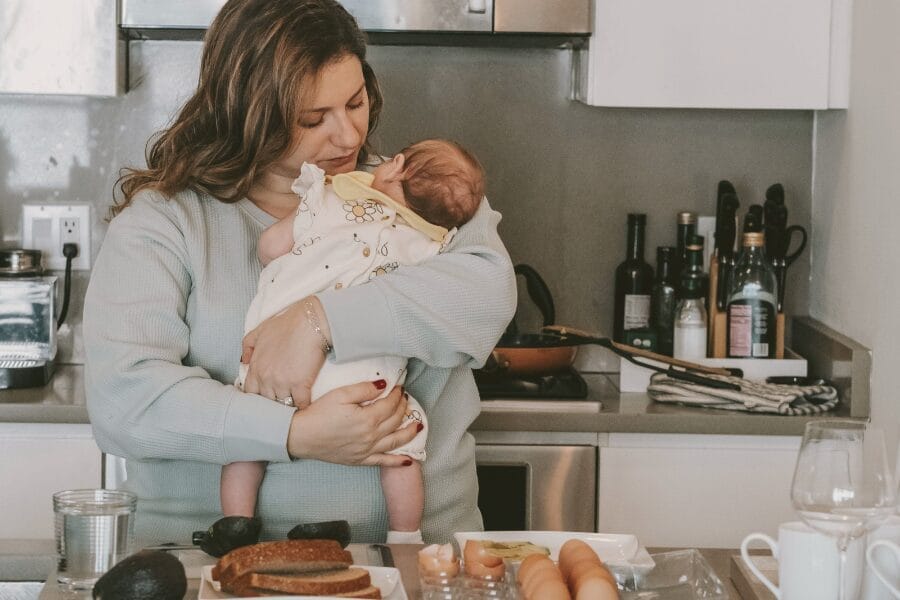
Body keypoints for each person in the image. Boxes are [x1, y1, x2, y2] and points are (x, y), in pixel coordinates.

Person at [82, 0, 516, 547]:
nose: (348, 137)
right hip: (201, 564)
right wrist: (295, 434)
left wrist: (318, 321)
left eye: (355, 102)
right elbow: (125, 401)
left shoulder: (420, 201)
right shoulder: (167, 223)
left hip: (417, 563)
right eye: (312, 120)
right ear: (248, 116)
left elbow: (487, 293)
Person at [223, 138, 487, 550]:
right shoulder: (432, 244)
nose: (346, 133)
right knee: (403, 449)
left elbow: (271, 247)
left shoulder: (330, 198)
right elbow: (461, 292)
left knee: (245, 442)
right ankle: (405, 536)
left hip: (273, 371)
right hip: (365, 384)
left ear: (396, 165)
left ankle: (236, 524)